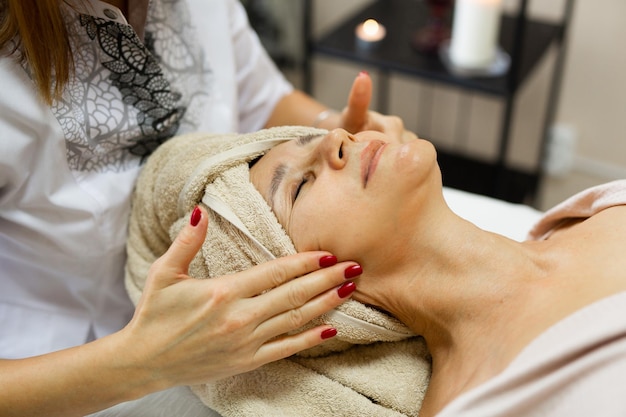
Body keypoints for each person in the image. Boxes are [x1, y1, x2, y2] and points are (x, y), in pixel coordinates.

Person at [0, 0, 412, 415]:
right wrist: (142, 361)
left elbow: (261, 98)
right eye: (299, 188)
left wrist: (331, 126)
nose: (336, 143)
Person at [128, 125, 626, 416]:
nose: (335, 141)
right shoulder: (479, 401)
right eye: (299, 186)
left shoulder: (594, 211)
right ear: (299, 292)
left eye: (313, 138)